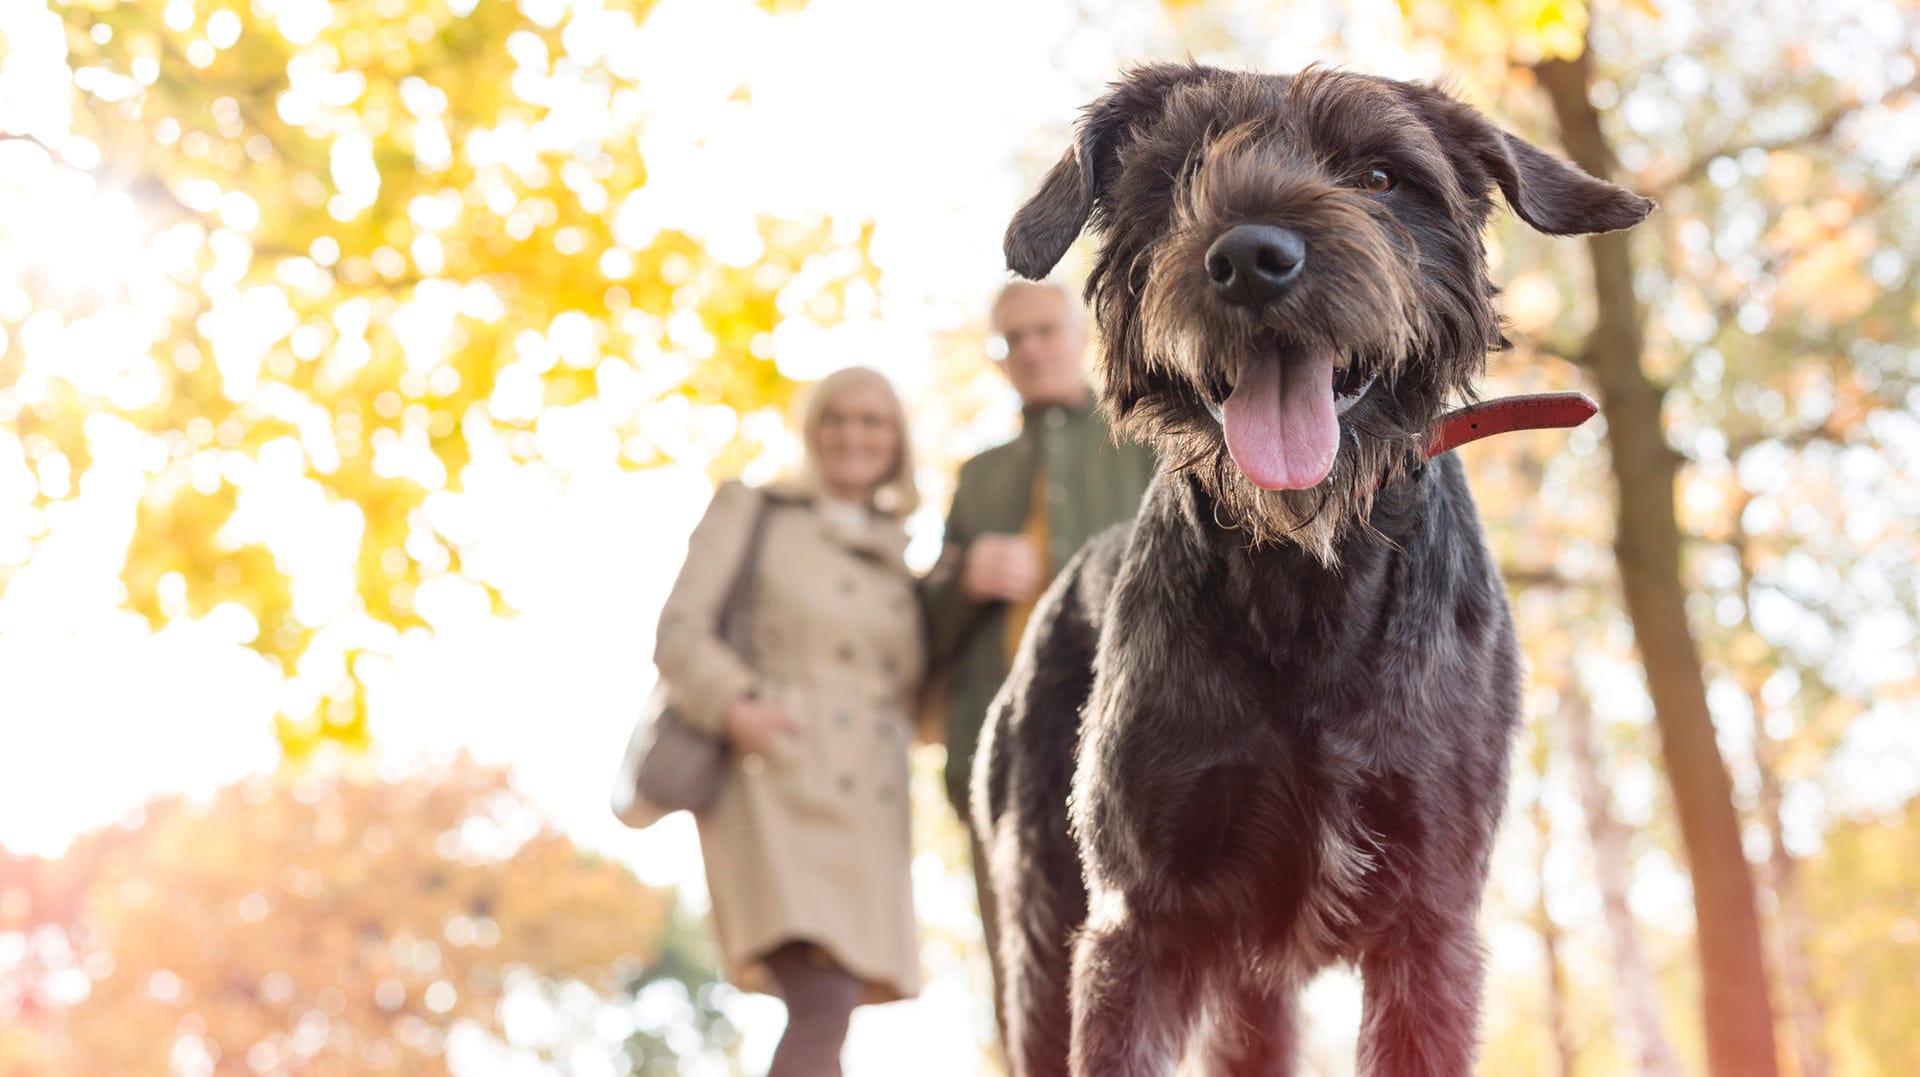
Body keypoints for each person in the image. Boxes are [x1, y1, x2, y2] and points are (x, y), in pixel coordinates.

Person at [653, 366, 924, 1077]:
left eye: (872, 421)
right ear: (813, 429)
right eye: (836, 417)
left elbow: (917, 693)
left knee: (829, 1002)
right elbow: (679, 632)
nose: (852, 434)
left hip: (869, 803)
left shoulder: (901, 554)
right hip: (776, 777)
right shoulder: (754, 508)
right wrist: (737, 706)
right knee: (820, 993)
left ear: (896, 441)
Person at [920, 279, 1157, 1036]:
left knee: (1154, 977)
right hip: (1008, 766)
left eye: (1044, 331)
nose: (1030, 349)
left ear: (1080, 334)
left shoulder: (1147, 436)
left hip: (1142, 752)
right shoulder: (978, 476)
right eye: (1011, 339)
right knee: (1027, 991)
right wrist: (964, 579)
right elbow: (923, 632)